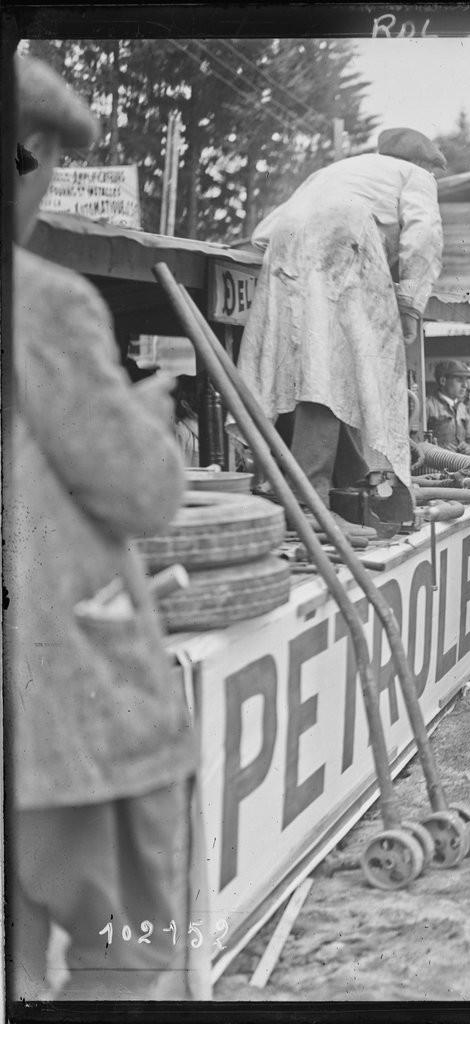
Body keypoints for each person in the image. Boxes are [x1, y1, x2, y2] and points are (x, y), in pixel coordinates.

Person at [6, 55, 198, 1000]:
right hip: (57, 707)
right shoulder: (42, 301)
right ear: (29, 155)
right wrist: (151, 423)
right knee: (129, 950)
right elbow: (138, 492)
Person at [238, 127, 446, 537]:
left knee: (298, 373)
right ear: (424, 164)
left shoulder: (337, 172)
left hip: (288, 246)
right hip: (343, 238)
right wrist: (409, 305)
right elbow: (424, 236)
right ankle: (311, 503)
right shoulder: (413, 175)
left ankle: (289, 488)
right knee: (335, 378)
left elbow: (262, 234)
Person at [425, 359, 470, 450]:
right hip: (436, 463)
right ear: (443, 381)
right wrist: (438, 449)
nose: (465, 385)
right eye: (459, 380)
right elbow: (416, 443)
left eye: (465, 380)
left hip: (460, 463)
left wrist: (469, 448)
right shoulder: (428, 405)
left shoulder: (461, 408)